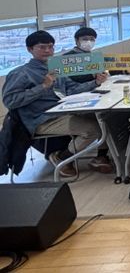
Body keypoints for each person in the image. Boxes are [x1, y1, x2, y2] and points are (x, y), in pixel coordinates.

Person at [2, 31, 108, 178]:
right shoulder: (21, 73)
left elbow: (71, 89)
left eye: (51, 47)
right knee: (93, 130)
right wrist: (42, 87)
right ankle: (62, 158)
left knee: (102, 118)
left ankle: (100, 157)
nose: (47, 51)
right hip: (42, 119)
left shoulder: (55, 68)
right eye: (42, 47)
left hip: (62, 110)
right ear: (30, 49)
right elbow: (10, 101)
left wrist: (96, 82)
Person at [62, 27, 114, 173]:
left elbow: (101, 75)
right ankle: (64, 158)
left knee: (108, 117)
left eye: (92, 39)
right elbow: (73, 85)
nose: (88, 42)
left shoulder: (93, 57)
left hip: (94, 95)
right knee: (102, 119)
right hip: (76, 100)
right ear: (76, 41)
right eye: (85, 39)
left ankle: (101, 156)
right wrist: (94, 80)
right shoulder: (67, 59)